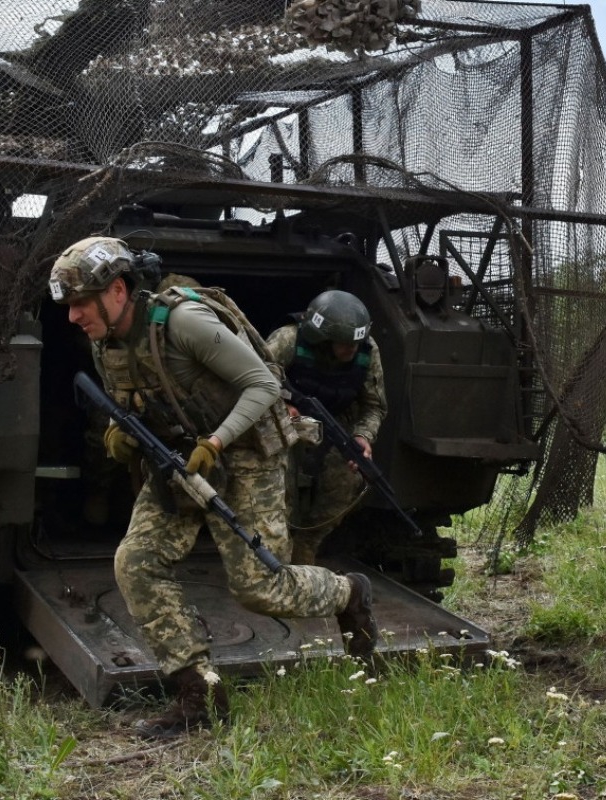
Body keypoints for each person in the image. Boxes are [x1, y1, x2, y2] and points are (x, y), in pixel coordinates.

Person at [48, 237, 378, 738]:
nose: (72, 316)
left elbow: (264, 386)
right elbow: (142, 395)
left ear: (117, 290)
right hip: (180, 459)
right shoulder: (105, 341)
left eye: (79, 303)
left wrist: (218, 442)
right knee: (136, 563)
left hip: (245, 453)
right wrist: (125, 429)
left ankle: (349, 593)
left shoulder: (183, 323)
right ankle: (199, 694)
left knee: (258, 586)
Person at [266, 290, 388, 565]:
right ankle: (276, 556)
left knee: (348, 481)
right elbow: (255, 376)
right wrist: (280, 405)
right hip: (280, 426)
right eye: (343, 343)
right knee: (279, 492)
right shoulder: (288, 339)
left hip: (333, 426)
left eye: (355, 343)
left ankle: (306, 546)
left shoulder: (367, 350)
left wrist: (362, 436)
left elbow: (374, 406)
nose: (351, 349)